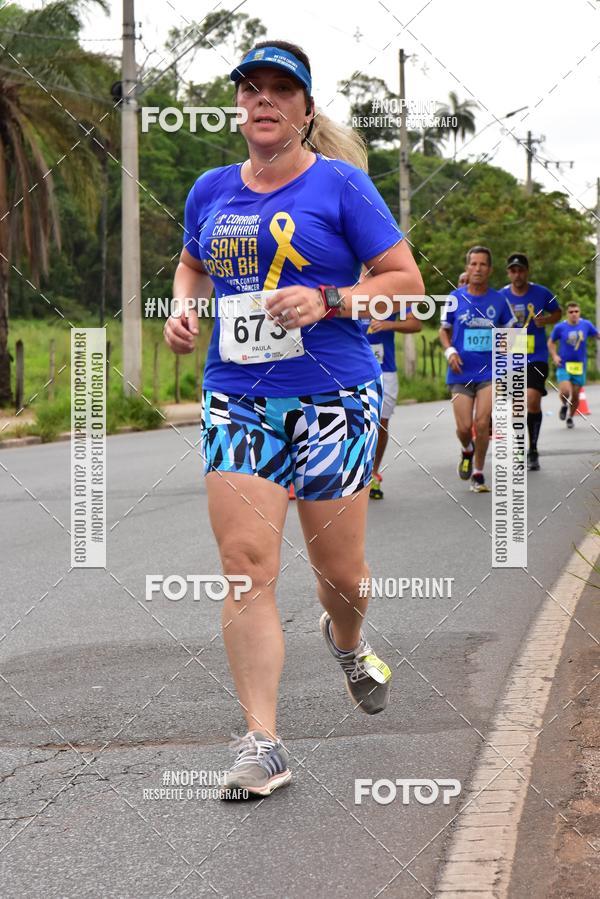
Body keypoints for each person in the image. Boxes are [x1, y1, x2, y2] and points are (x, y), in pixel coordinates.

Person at [163, 40, 424, 797]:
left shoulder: (340, 185)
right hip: (238, 398)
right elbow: (191, 262)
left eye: (282, 90)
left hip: (334, 398)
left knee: (339, 577)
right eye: (252, 89)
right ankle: (264, 741)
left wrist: (333, 299)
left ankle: (347, 642)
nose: (264, 100)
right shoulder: (209, 189)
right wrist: (185, 308)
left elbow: (406, 287)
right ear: (238, 107)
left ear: (306, 110)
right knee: (246, 565)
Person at [439, 246, 515, 493]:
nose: (478, 269)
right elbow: (444, 330)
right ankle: (467, 450)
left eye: (483, 264)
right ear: (467, 268)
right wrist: (450, 351)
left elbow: (512, 332)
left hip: (489, 372)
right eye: (473, 264)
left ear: (490, 270)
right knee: (463, 428)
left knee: (482, 423)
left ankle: (479, 472)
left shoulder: (499, 300)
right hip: (461, 372)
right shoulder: (454, 298)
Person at [500, 253, 561, 470]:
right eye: (513, 270)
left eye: (521, 270)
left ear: (527, 271)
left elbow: (557, 312)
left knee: (532, 399)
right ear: (508, 273)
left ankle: (533, 448)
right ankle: (519, 448)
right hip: (512, 358)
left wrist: (546, 320)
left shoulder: (541, 293)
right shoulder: (501, 296)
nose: (517, 274)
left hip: (536, 356)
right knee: (517, 406)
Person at [365, 307, 421, 499]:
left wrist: (389, 324)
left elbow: (416, 323)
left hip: (385, 370)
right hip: (351, 367)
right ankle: (353, 476)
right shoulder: (347, 285)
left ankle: (373, 473)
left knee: (381, 423)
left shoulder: (393, 292)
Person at [548, 303, 599, 427]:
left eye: (576, 311)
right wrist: (555, 356)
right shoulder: (560, 327)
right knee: (565, 391)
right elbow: (551, 342)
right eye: (571, 312)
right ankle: (564, 405)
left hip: (580, 366)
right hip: (563, 364)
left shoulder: (586, 325)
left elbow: (597, 335)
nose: (574, 314)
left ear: (579, 312)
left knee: (575, 395)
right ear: (567, 313)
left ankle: (570, 417)